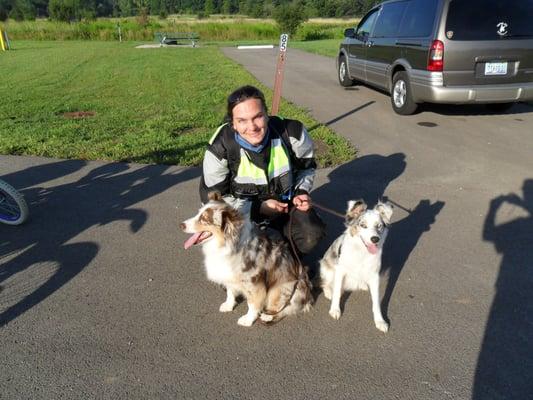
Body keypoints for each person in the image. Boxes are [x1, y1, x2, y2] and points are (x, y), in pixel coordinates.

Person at [199, 85, 326, 255]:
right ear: (233, 124)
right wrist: (257, 208)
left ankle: (291, 261)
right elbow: (215, 202)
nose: (252, 127)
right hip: (239, 213)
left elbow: (307, 169)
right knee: (240, 255)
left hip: (284, 207)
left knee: (311, 233)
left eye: (257, 117)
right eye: (242, 120)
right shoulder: (219, 148)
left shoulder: (293, 133)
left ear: (266, 114)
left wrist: (301, 192)